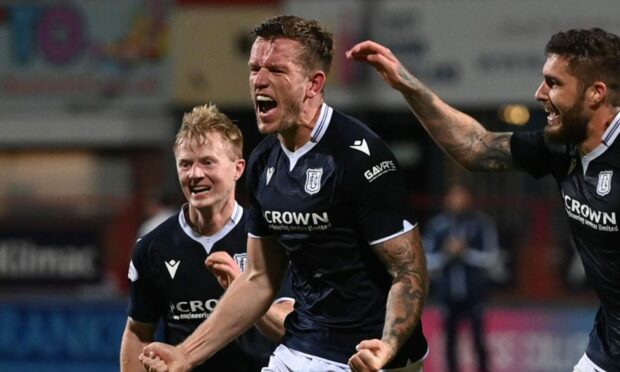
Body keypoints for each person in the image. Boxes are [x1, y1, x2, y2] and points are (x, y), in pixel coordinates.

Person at [140, 15, 429, 372]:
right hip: (301, 345)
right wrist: (185, 353)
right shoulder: (264, 161)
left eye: (276, 70)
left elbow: (409, 273)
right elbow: (260, 278)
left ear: (313, 84)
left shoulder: (359, 157)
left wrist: (386, 348)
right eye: (254, 68)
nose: (259, 80)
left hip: (367, 357)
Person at [347, 27, 620, 372]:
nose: (539, 94)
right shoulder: (563, 146)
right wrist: (407, 85)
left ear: (596, 93)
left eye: (554, 83)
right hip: (605, 352)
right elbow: (476, 147)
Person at [119, 103, 295, 372]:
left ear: (238, 169)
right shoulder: (152, 247)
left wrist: (244, 288)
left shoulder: (271, 237)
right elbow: (138, 332)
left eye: (207, 162)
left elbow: (288, 327)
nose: (195, 174)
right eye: (185, 164)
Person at [423, 184, 499, 372]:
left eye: (462, 196)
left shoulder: (481, 224)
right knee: (449, 341)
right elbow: (427, 261)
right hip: (447, 293)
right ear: (447, 200)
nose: (458, 201)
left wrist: (465, 252)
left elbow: (491, 258)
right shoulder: (437, 226)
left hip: (475, 293)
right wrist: (447, 253)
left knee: (478, 339)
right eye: (454, 196)